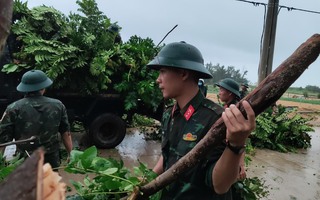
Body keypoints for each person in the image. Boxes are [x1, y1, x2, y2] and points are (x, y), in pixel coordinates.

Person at [147, 41, 255, 199]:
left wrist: (236, 145)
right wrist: (144, 183)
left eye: (163, 71)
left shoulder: (216, 119)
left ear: (183, 74)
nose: (158, 79)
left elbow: (220, 185)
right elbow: (167, 156)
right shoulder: (169, 114)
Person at [0, 69, 73, 170]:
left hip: (24, 159)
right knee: (49, 183)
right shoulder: (58, 105)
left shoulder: (13, 108)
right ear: (43, 88)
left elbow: (3, 138)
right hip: (51, 159)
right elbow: (65, 132)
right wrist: (71, 153)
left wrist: (1, 164)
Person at [215, 78, 247, 198]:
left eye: (221, 89)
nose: (219, 92)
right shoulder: (227, 107)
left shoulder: (234, 111)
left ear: (230, 93)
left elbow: (240, 139)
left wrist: (241, 165)